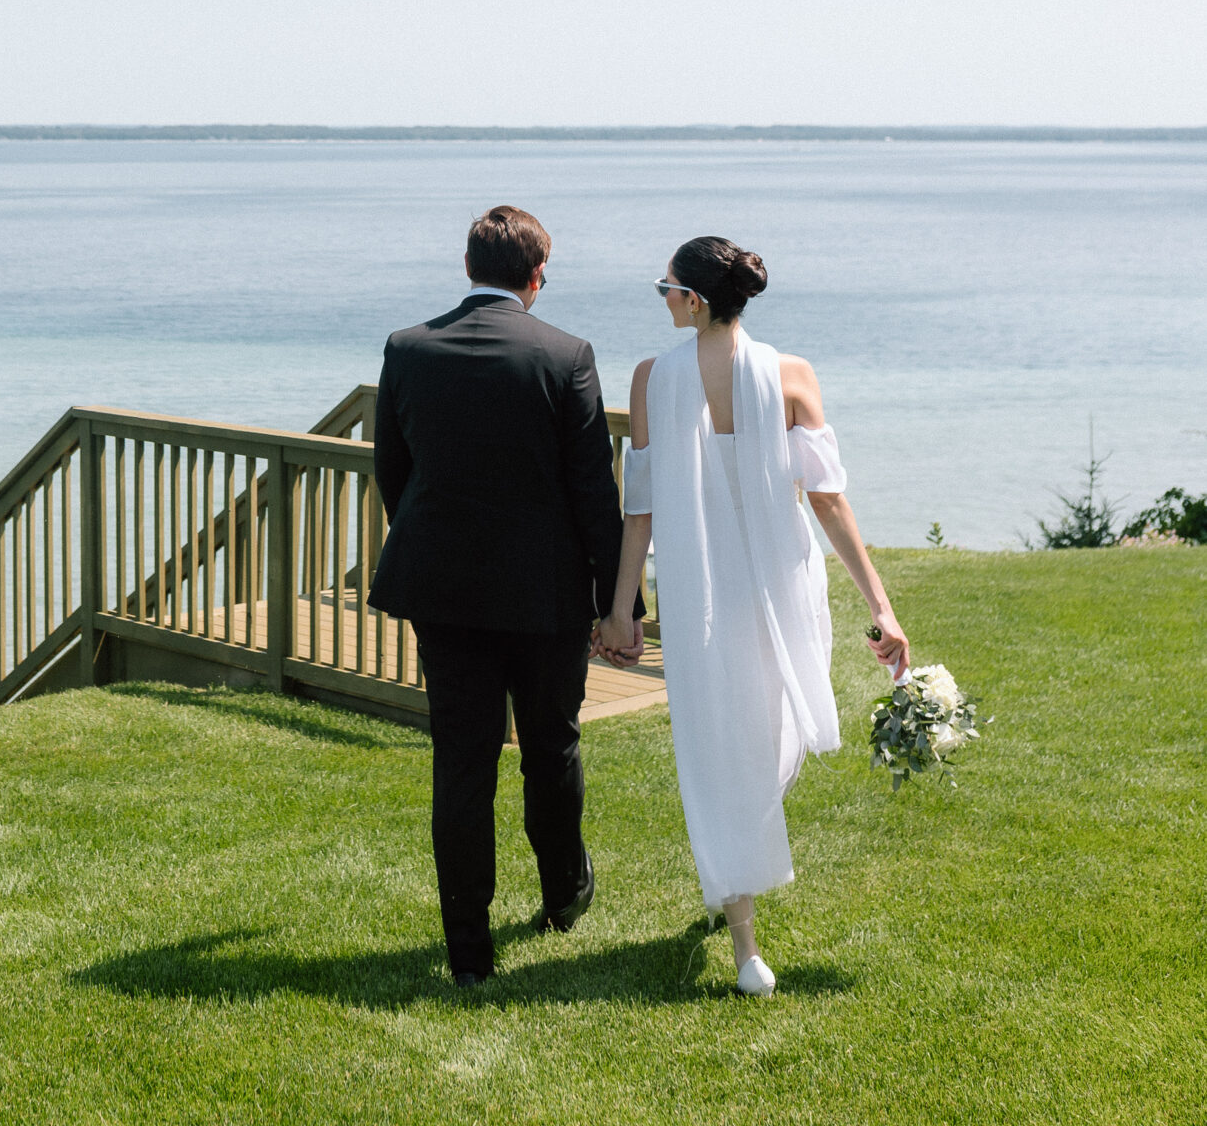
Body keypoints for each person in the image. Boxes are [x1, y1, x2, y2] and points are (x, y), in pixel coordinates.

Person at [599, 236, 908, 998]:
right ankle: (744, 948)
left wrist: (619, 608)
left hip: (717, 591)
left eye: (665, 288)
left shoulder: (650, 379)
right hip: (763, 582)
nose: (662, 298)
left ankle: (731, 872)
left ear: (696, 300)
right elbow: (828, 504)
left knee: (736, 746)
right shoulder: (791, 375)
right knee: (736, 751)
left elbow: (637, 510)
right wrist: (879, 604)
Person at [369, 205, 629, 988]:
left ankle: (466, 950)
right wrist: (620, 601)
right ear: (536, 276)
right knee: (551, 747)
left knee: (462, 761)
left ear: (466, 266)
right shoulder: (565, 355)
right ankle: (562, 897)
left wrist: (432, 548)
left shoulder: (408, 348)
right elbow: (593, 492)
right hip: (546, 594)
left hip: (442, 592)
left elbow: (393, 469)